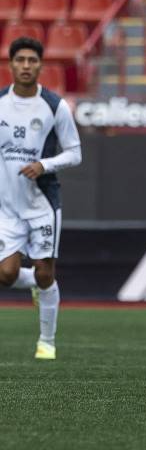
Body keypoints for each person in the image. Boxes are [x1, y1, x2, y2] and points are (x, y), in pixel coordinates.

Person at [0, 37, 82, 360]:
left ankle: (47, 342)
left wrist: (44, 165)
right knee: (6, 274)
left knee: (45, 272)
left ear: (40, 66)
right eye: (20, 60)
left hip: (42, 205)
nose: (25, 66)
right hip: (7, 207)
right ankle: (32, 283)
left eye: (32, 61)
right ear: (11, 64)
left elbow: (75, 153)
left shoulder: (54, 106)